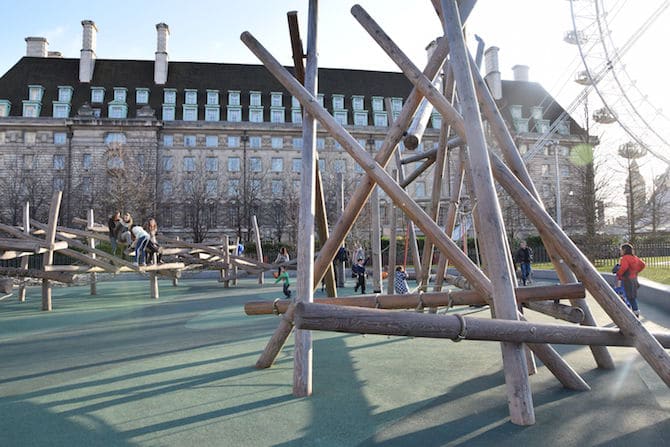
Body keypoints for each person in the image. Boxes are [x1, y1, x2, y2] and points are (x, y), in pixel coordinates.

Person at [615, 243, 646, 317]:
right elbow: (643, 265)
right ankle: (636, 312)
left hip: (626, 280)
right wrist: (636, 271)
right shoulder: (634, 257)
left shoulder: (624, 258)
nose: (620, 251)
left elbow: (624, 268)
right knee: (632, 297)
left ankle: (626, 314)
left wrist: (618, 273)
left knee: (624, 296)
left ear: (624, 250)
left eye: (621, 249)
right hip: (634, 279)